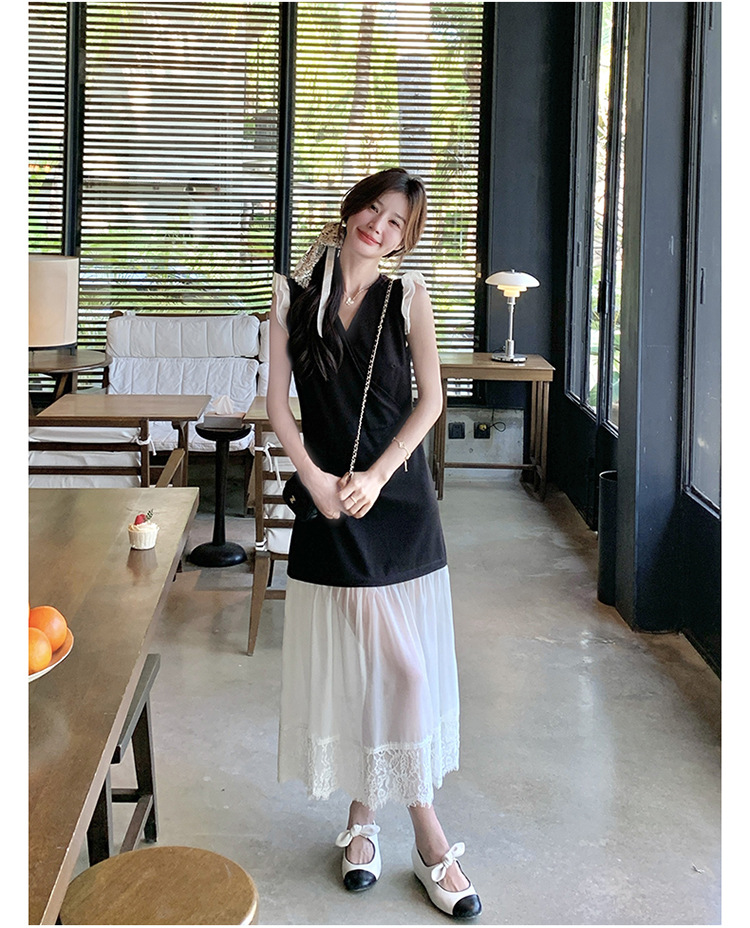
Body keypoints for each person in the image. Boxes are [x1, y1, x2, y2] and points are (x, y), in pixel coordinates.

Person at [267, 168, 481, 919]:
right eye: (373, 209)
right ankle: (429, 840)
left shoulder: (408, 296)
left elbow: (433, 400)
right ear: (352, 207)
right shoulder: (292, 296)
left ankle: (364, 817)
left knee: (391, 673)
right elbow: (278, 407)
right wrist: (317, 481)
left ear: (404, 239)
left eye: (397, 223)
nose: (379, 227)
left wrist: (379, 474)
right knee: (399, 672)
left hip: (400, 505)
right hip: (331, 507)